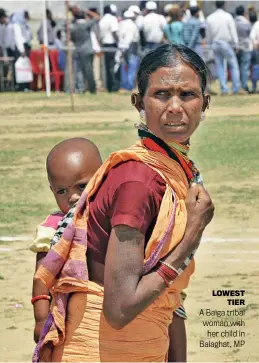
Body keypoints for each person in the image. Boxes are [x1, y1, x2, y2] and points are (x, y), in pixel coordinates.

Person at [33, 44, 214, 363]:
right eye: (161, 94)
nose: (174, 107)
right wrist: (193, 234)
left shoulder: (172, 170)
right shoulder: (138, 180)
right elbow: (119, 309)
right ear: (138, 102)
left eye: (187, 95)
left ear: (205, 103)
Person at [30, 137, 103, 343]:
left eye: (81, 186)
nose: (72, 197)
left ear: (103, 177)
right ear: (52, 190)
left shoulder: (110, 218)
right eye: (62, 191)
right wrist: (41, 319)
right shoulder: (52, 229)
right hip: (65, 318)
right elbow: (41, 279)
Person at [206, 1, 242, 95]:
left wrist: (210, 45)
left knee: (220, 67)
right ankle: (235, 88)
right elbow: (233, 31)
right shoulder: (228, 16)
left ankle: (224, 89)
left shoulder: (210, 17)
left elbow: (208, 34)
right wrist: (236, 44)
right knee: (233, 65)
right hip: (226, 43)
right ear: (224, 5)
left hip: (215, 43)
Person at [71, 9, 100, 94]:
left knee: (79, 70)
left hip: (78, 50)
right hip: (88, 50)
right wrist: (88, 11)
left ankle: (80, 88)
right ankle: (92, 89)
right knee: (89, 71)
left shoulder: (74, 27)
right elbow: (97, 17)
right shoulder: (86, 24)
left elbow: (72, 39)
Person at [6, 9, 33, 91]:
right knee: (19, 67)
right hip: (20, 48)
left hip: (25, 46)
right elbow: (18, 38)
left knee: (25, 66)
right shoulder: (16, 25)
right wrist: (22, 50)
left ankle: (25, 86)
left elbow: (29, 36)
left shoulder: (24, 25)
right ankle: (20, 86)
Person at [117, 10, 140, 92]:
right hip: (131, 49)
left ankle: (123, 86)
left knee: (124, 68)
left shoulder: (120, 24)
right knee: (132, 69)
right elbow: (130, 39)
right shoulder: (133, 25)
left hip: (121, 49)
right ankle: (129, 87)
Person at [99, 5, 120, 92]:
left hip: (104, 45)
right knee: (114, 66)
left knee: (107, 66)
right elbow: (114, 32)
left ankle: (108, 86)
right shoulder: (112, 19)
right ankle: (114, 86)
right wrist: (119, 42)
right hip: (112, 44)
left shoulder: (102, 20)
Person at [235, 6, 253, 93]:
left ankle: (238, 86)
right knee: (245, 68)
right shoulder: (246, 22)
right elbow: (250, 35)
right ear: (243, 13)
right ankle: (244, 86)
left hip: (237, 48)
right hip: (246, 48)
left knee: (237, 67)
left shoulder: (234, 21)